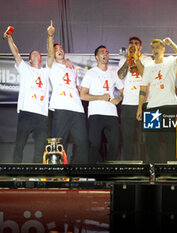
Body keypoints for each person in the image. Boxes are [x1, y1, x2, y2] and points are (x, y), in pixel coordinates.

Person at [3, 21, 53, 163]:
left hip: (41, 116)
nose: (37, 54)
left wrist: (50, 36)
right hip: (26, 113)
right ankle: (15, 177)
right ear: (30, 59)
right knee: (19, 146)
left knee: (40, 149)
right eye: (33, 54)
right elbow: (16, 53)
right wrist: (9, 38)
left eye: (38, 53)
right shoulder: (25, 69)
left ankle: (36, 179)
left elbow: (51, 54)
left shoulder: (45, 71)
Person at [136, 38, 177, 163]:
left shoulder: (170, 60)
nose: (155, 50)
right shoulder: (148, 66)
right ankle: (155, 168)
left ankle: (169, 170)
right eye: (153, 48)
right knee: (150, 140)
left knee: (169, 138)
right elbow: (143, 88)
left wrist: (172, 44)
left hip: (168, 104)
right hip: (151, 106)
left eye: (158, 47)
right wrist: (140, 107)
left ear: (163, 48)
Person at [48, 29, 89, 164]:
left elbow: (76, 87)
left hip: (77, 109)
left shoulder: (72, 68)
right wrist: (51, 36)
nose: (60, 50)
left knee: (82, 142)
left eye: (61, 49)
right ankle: (58, 175)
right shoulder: (51, 66)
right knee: (60, 142)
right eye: (57, 49)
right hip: (62, 108)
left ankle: (79, 173)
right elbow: (49, 54)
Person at [81, 45, 124, 163]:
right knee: (94, 145)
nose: (105, 54)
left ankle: (108, 174)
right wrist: (100, 97)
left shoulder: (113, 73)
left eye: (107, 52)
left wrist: (119, 98)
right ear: (96, 57)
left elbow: (122, 91)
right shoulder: (91, 73)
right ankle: (90, 175)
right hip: (96, 114)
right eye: (102, 52)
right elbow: (83, 95)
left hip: (112, 114)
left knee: (115, 146)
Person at [117, 37, 153, 161]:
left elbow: (145, 74)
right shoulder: (123, 60)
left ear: (140, 47)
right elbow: (121, 75)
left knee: (150, 138)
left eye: (136, 43)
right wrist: (128, 59)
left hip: (147, 103)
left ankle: (151, 167)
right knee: (127, 139)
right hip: (128, 104)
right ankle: (129, 169)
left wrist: (136, 57)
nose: (133, 45)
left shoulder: (147, 59)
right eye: (131, 43)